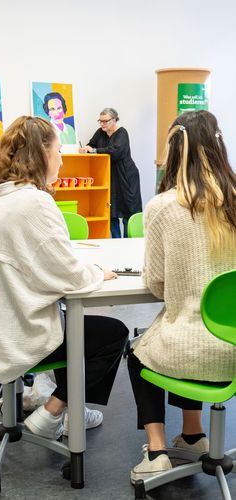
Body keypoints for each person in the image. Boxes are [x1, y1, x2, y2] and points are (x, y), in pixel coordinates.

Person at [0, 116, 129, 439]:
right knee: (113, 335)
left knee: (67, 317)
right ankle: (57, 409)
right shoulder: (34, 201)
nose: (62, 159)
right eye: (58, 151)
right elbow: (71, 278)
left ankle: (65, 405)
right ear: (40, 154)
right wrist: (100, 273)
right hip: (20, 334)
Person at [127, 110, 236, 484]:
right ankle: (192, 434)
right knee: (185, 337)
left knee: (141, 349)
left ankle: (156, 452)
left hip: (191, 348)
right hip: (233, 348)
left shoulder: (162, 207)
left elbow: (157, 284)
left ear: (175, 151)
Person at [79, 108, 142, 238]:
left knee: (128, 210)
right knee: (111, 209)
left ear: (114, 120)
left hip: (127, 176)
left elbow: (115, 151)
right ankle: (115, 240)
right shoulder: (100, 132)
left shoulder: (122, 133)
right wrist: (86, 148)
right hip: (111, 176)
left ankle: (128, 242)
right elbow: (91, 144)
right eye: (100, 121)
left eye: (105, 121)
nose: (102, 124)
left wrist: (94, 150)